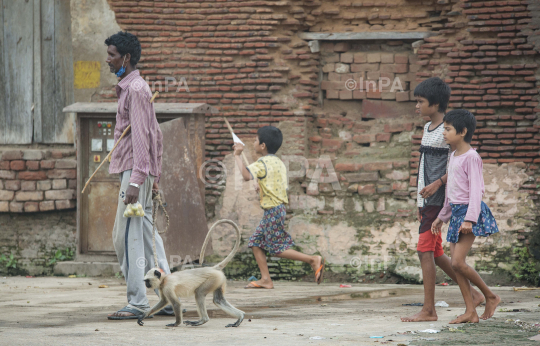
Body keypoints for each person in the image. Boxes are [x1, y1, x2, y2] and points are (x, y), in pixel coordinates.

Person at [401, 77, 484, 323]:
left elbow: (457, 165)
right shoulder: (427, 129)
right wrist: (419, 202)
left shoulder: (448, 132)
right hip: (428, 201)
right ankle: (475, 294)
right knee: (436, 253)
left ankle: (429, 310)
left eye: (421, 102)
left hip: (442, 199)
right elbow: (423, 166)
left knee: (424, 251)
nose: (417, 106)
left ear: (435, 104)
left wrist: (437, 184)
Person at [105, 31, 173, 320]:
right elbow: (154, 134)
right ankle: (168, 297)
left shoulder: (136, 89)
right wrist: (152, 176)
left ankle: (138, 301)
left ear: (126, 57)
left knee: (127, 237)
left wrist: (137, 180)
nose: (108, 60)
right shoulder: (133, 88)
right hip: (139, 172)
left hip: (135, 172)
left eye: (112, 55)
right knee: (147, 237)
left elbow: (144, 138)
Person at [232, 126, 324, 289]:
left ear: (263, 146)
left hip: (273, 211)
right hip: (277, 209)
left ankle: (312, 260)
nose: (253, 142)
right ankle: (266, 279)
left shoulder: (262, 162)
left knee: (276, 249)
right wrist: (262, 187)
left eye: (255, 140)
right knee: (256, 242)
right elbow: (277, 186)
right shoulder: (279, 163)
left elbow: (246, 176)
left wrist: (237, 156)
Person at [432, 109, 500, 324]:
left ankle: (490, 295)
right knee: (455, 265)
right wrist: (442, 217)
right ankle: (470, 311)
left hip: (469, 214)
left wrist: (469, 219)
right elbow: (451, 192)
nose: (444, 132)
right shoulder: (452, 156)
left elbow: (476, 191)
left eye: (448, 129)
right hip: (456, 213)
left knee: (458, 263)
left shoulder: (472, 157)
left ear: (462, 132)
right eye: (444, 128)